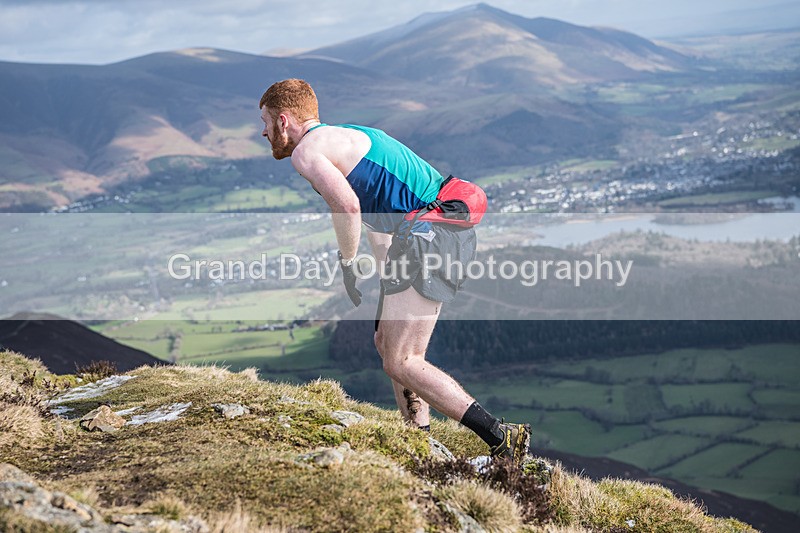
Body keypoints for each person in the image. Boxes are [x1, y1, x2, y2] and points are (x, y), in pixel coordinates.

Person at [259, 78, 531, 465]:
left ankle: (502, 436)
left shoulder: (307, 153)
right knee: (387, 343)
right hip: (439, 231)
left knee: (403, 359)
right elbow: (379, 218)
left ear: (284, 120)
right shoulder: (349, 137)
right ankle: (417, 441)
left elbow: (348, 207)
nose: (264, 132)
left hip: (429, 236)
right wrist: (388, 283)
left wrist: (347, 264)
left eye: (266, 123)